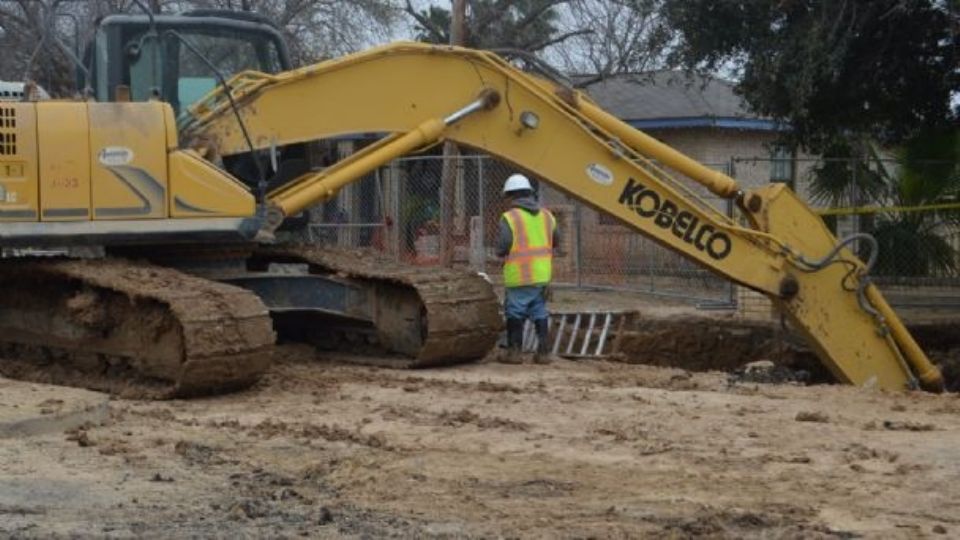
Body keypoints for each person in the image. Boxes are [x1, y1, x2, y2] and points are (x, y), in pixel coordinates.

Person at [496, 173, 561, 364]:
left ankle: (514, 353)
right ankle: (543, 353)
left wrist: (500, 252)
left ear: (511, 196)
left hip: (520, 276)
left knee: (515, 312)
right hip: (542, 275)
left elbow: (503, 244)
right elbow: (556, 239)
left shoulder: (510, 217)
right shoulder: (547, 216)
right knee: (539, 311)